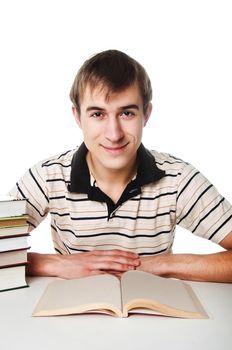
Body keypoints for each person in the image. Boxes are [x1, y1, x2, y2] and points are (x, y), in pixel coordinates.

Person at [9, 49, 232, 282]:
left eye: (126, 113)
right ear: (77, 116)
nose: (113, 134)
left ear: (146, 114)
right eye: (97, 114)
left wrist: (162, 265)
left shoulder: (177, 178)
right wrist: (56, 264)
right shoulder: (47, 176)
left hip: (155, 313)